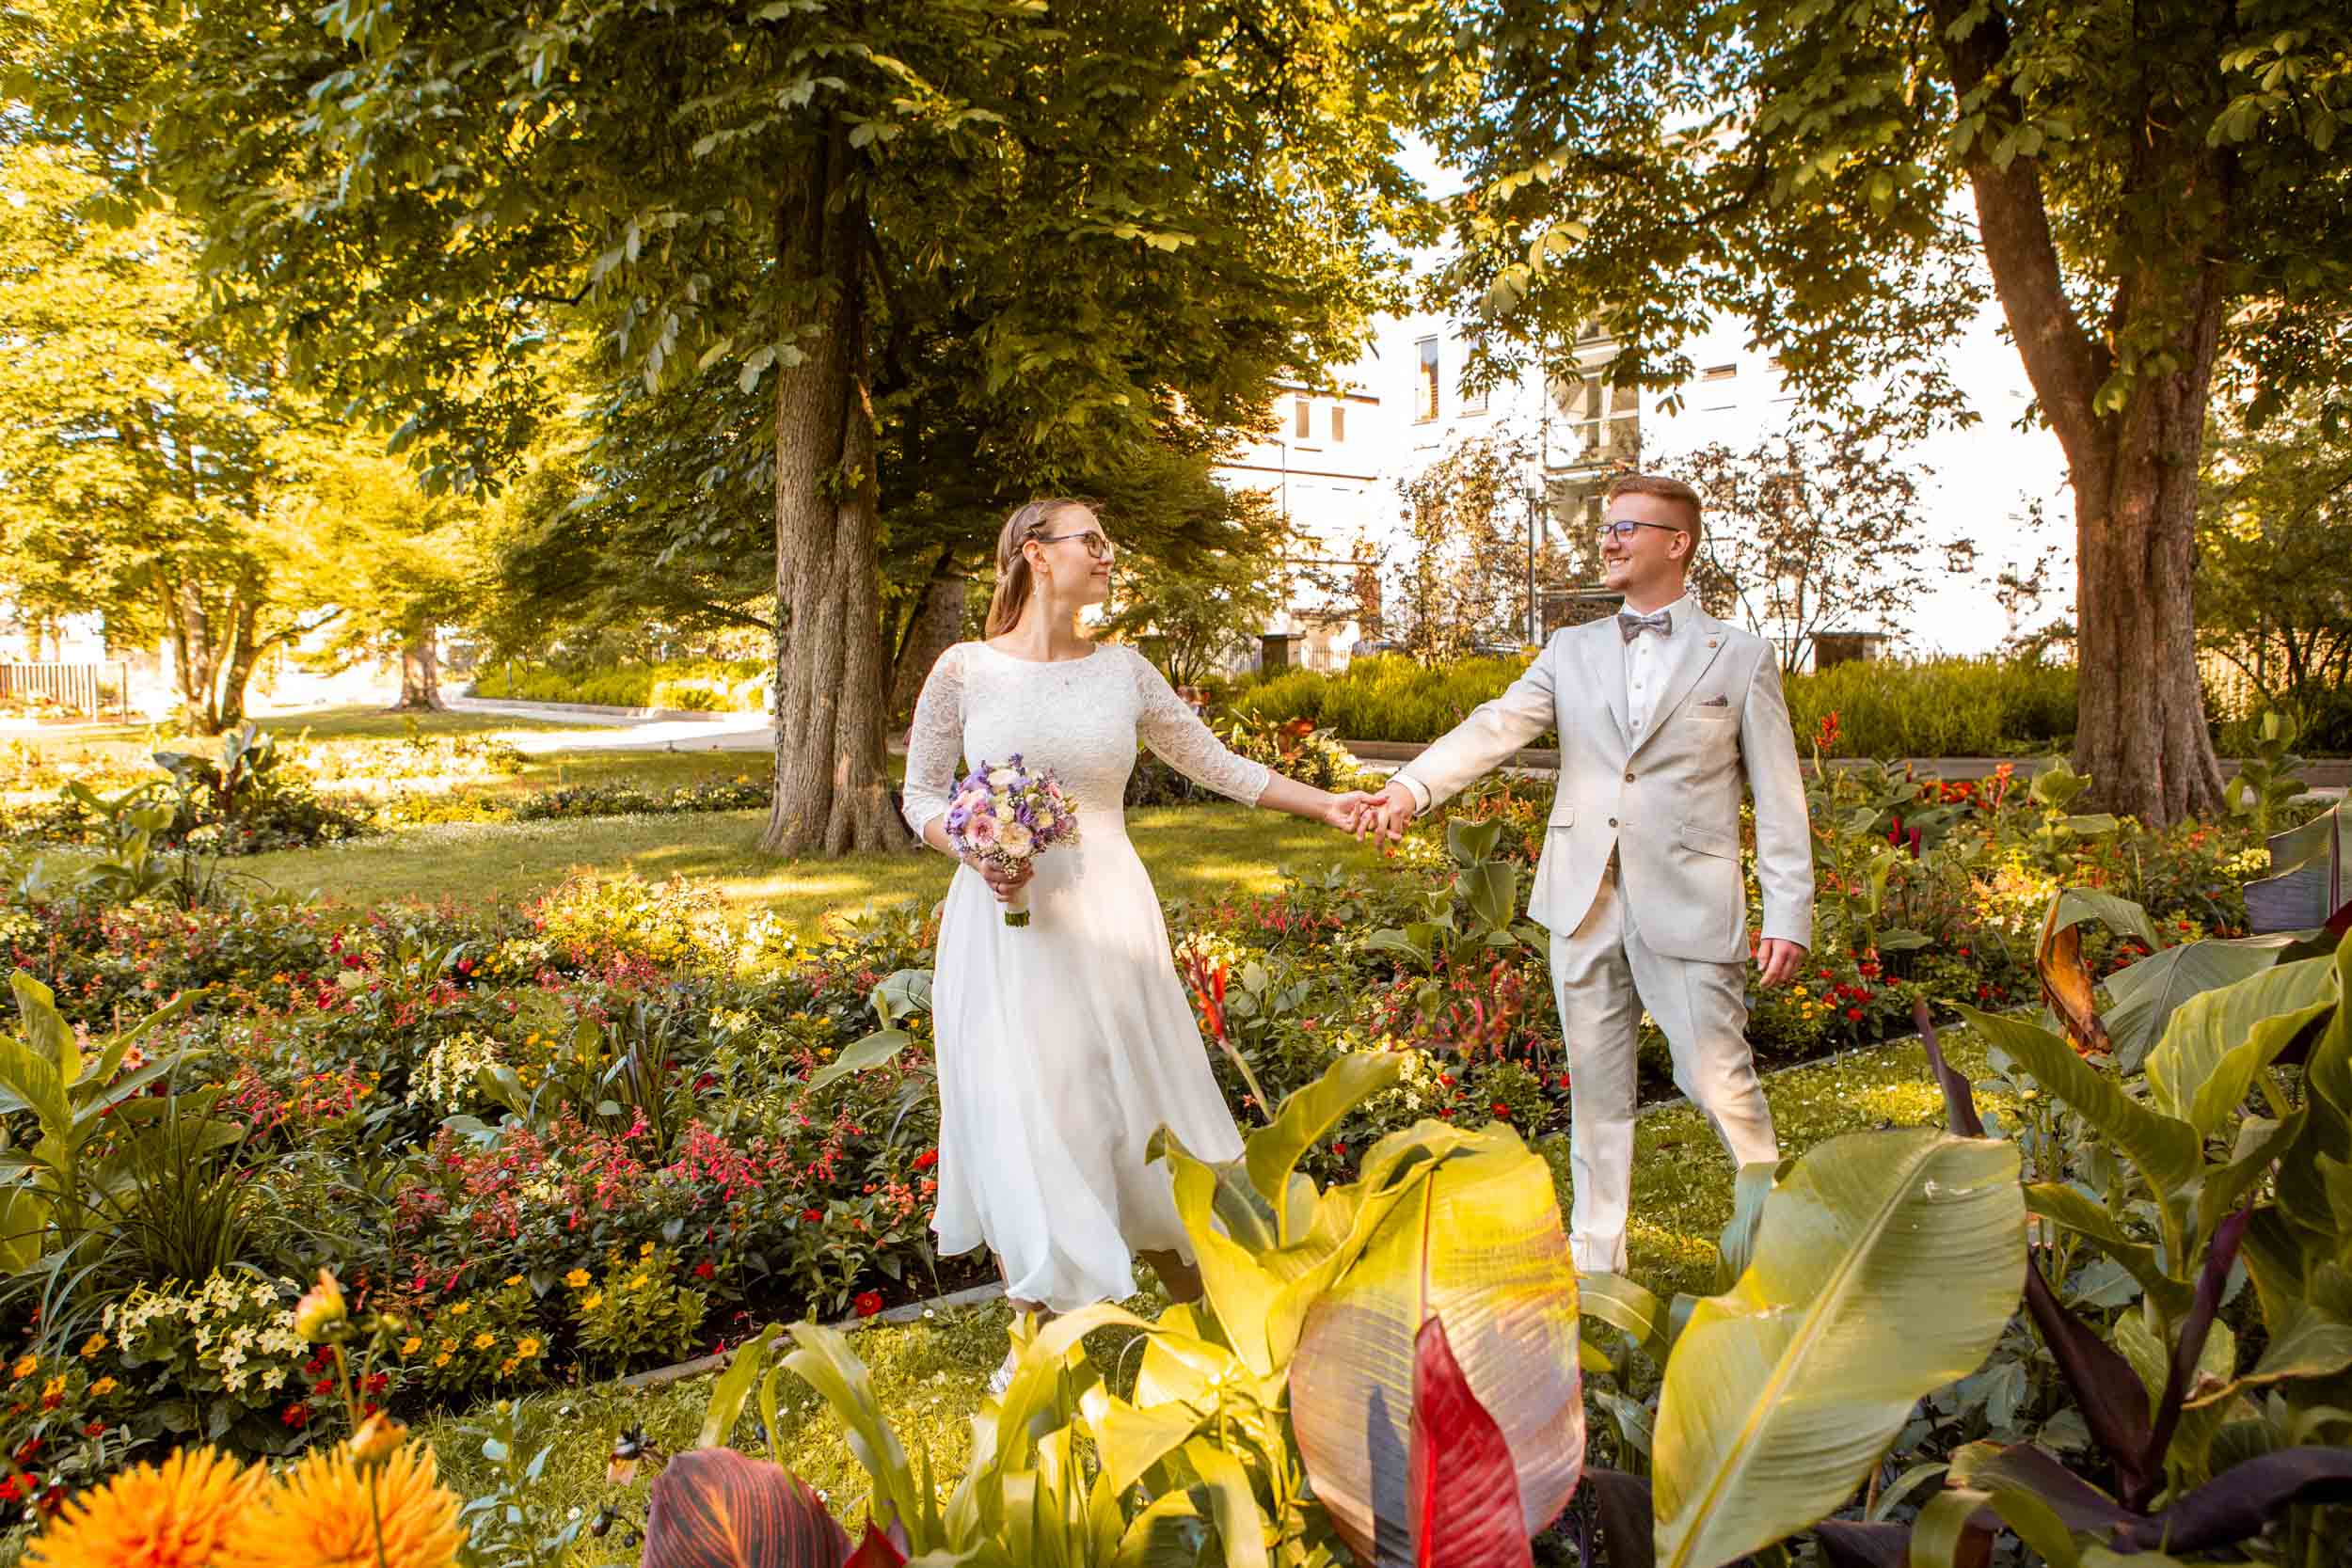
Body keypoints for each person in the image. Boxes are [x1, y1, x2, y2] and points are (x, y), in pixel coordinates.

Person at [899, 498, 1379, 1392]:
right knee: (1029, 1110)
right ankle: (1037, 1347)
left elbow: (1218, 763)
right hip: (1005, 931)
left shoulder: (1124, 671)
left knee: (1142, 1111)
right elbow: (921, 795)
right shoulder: (962, 671)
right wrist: (971, 844)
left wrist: (1327, 802)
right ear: (1036, 556)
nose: (1108, 555)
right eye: (1093, 541)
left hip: (1111, 915)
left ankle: (1222, 1311)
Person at [1357, 473, 1813, 1275]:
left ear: (1678, 543)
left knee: (1717, 1078)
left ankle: (1775, 1240)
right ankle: (1596, 1264)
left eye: (1628, 527)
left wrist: (1789, 911)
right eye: (1606, 527)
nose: (1608, 540)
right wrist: (1409, 787)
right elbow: (1496, 725)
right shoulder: (1571, 650)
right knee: (1597, 1093)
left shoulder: (1740, 657)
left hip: (1690, 900)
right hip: (1580, 896)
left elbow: (1781, 795)